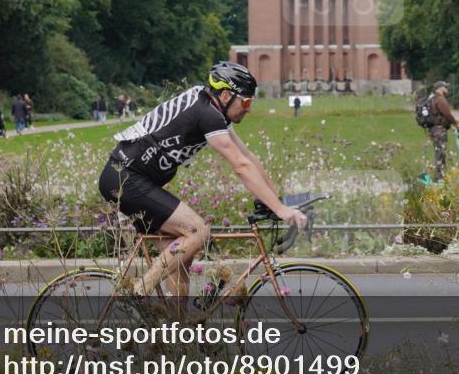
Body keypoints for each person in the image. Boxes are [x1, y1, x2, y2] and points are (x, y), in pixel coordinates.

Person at [98, 61, 307, 298]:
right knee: (199, 232)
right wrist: (280, 209)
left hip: (134, 179)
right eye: (246, 102)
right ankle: (138, 292)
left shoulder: (211, 110)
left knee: (179, 257)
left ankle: (176, 321)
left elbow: (248, 157)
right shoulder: (206, 113)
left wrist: (276, 201)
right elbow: (240, 165)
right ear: (226, 95)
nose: (248, 109)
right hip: (124, 178)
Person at [428, 81, 459, 181]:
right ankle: (440, 178)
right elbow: (447, 114)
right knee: (441, 154)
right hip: (439, 131)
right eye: (445, 87)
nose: (447, 88)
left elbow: (439, 116)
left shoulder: (432, 98)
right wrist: (456, 124)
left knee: (439, 153)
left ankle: (439, 177)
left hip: (434, 130)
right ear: (440, 88)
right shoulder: (440, 99)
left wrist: (449, 126)